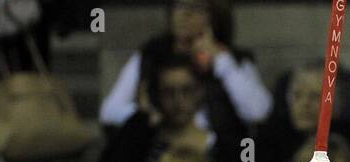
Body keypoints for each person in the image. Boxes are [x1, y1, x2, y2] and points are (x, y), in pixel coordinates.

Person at [94, 53, 246, 162]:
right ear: (156, 95)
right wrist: (142, 115)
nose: (178, 100)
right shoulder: (140, 142)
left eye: (186, 90)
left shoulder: (220, 146)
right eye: (168, 92)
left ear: (200, 91)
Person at [98, 0, 269, 130]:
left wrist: (221, 61)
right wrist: (149, 115)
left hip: (217, 153)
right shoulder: (151, 55)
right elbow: (109, 111)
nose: (185, 15)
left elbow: (258, 111)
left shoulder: (231, 59)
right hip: (163, 147)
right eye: (180, 6)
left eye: (196, 8)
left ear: (214, 16)